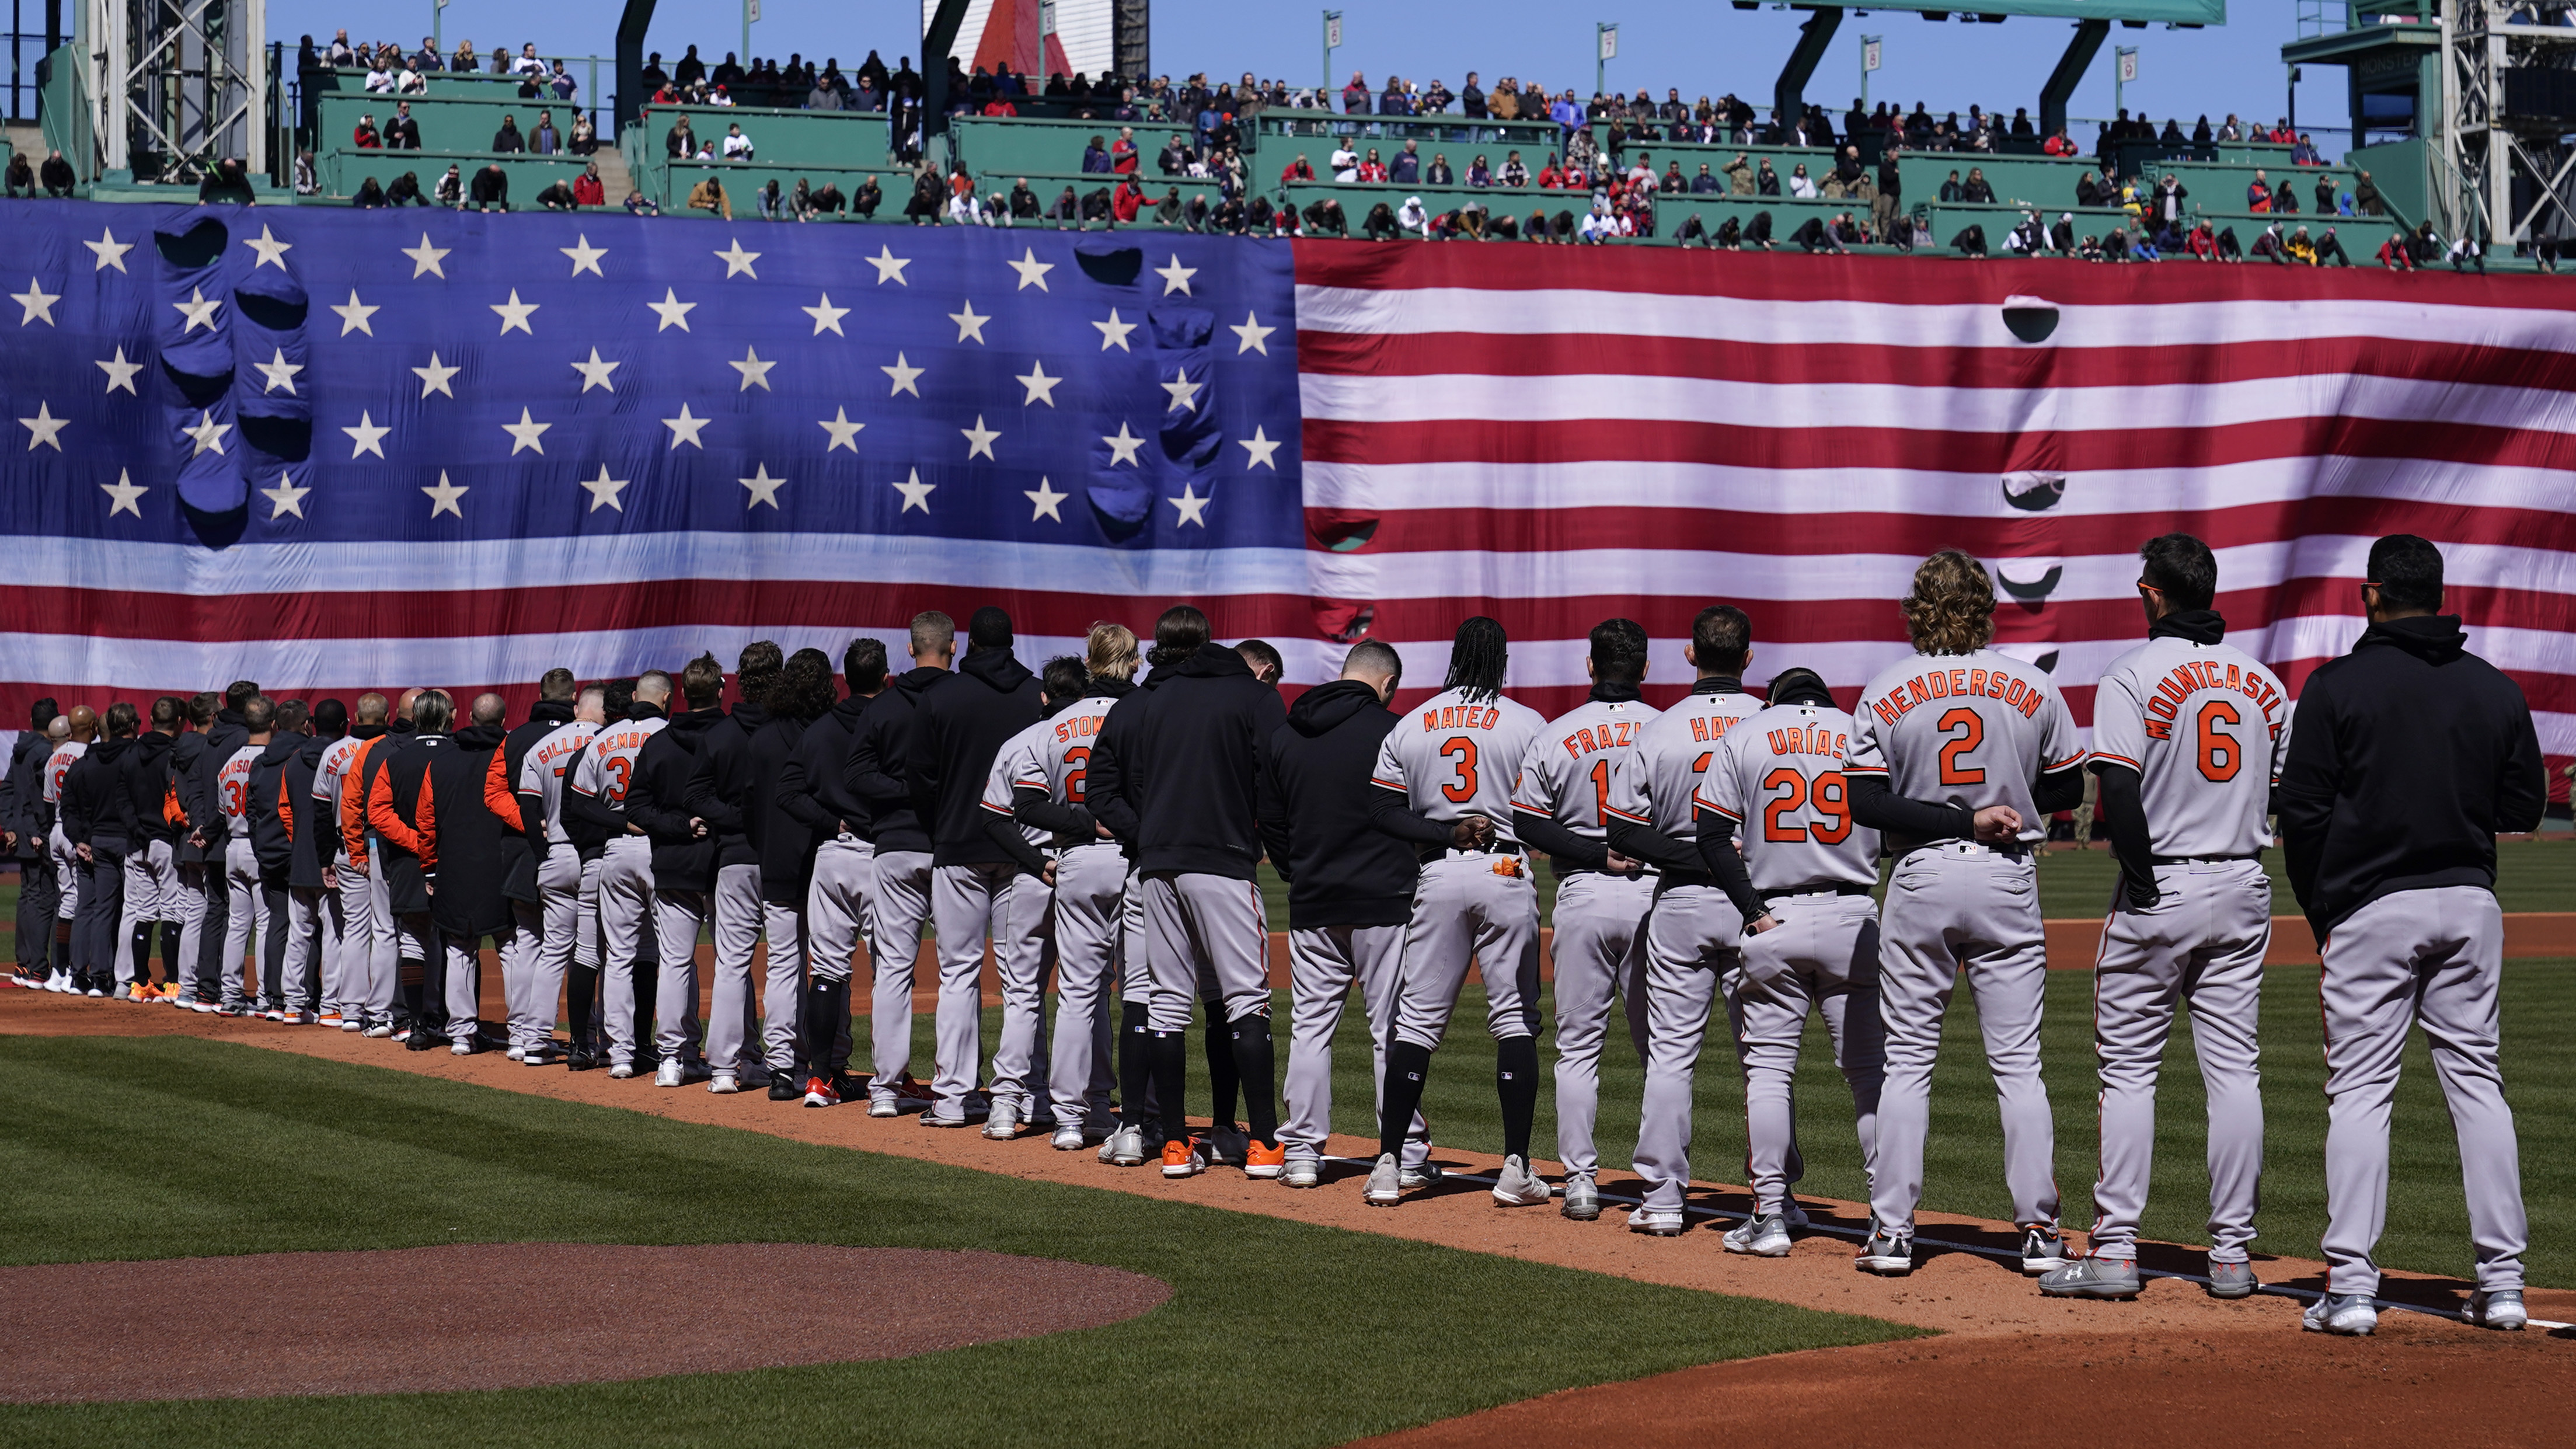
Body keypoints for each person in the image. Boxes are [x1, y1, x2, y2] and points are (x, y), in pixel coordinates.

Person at [2278, 534, 2545, 1336]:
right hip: (2467, 900)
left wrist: (2324, 912)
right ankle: (2502, 1285)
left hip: (2370, 906)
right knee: (2477, 1085)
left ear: (2371, 596)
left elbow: (2301, 815)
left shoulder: (2335, 687)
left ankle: (2353, 1288)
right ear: (2438, 594)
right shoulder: (2493, 689)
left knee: (2361, 1090)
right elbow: (2524, 806)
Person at [2036, 535, 2286, 1303]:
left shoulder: (2132, 673)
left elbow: (2117, 787)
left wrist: (2141, 880)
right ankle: (2233, 1256)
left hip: (2164, 882)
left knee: (2129, 1073)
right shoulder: (2262, 681)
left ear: (2151, 593)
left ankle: (2114, 1251)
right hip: (2244, 877)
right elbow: (2279, 790)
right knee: (2235, 1072)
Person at [1843, 552, 2086, 1277]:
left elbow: (1865, 803)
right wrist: (1996, 801)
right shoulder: (2031, 682)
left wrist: (1953, 818)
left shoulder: (1887, 687)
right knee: (2018, 1065)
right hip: (2006, 875)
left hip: (1919, 875)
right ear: (1986, 606)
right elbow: (2070, 783)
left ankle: (1890, 1234)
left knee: (1908, 1063)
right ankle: (2039, 1232)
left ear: (1918, 607)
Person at [1082, 607, 1289, 1179]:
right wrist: (1277, 843)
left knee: (1165, 1003)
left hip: (1156, 865)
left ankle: (1175, 1144)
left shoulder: (1139, 704)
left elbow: (1098, 790)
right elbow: (1279, 774)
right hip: (1222, 860)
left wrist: (1143, 829)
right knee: (1245, 998)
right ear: (1208, 643)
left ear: (1156, 648)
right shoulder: (1248, 696)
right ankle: (1265, 1142)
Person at [1690, 665, 1884, 1256]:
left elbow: (1710, 834)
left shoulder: (1749, 731)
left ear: (1775, 698)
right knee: (1871, 1075)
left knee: (1770, 1073)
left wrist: (1752, 910)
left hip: (1777, 917)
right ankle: (1888, 1218)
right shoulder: (1858, 729)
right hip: (1854, 915)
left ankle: (1769, 1215)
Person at [1355, 618, 1547, 1207]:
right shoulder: (1526, 722)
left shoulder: (1413, 722)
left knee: (1414, 1022)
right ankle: (1515, 1168)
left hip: (1438, 869)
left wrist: (1443, 827)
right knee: (1514, 1018)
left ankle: (1388, 1164)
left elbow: (1382, 811)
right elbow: (1545, 810)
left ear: (1455, 656)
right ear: (1502, 659)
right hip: (1507, 867)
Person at [1600, 608, 1768, 1235]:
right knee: (1763, 1061)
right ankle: (1772, 1199)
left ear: (1690, 655)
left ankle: (1665, 1198)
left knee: (1671, 1056)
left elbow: (1620, 830)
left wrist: (1694, 855)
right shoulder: (1769, 724)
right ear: (1748, 658)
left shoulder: (1661, 728)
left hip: (1680, 903)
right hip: (1757, 904)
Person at [1510, 621, 1658, 1222]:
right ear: (1645, 668)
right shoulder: (1665, 728)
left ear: (1591, 666)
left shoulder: (1557, 733)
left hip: (1583, 893)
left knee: (1577, 1050)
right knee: (1663, 1050)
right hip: (1654, 892)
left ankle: (1580, 1181)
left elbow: (1527, 824)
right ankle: (1661, 1185)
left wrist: (1595, 850)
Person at [831, 614, 953, 1112]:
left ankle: (885, 1089)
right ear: (952, 648)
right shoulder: (961, 698)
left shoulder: (883, 707)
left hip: (895, 845)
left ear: (909, 649)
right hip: (949, 847)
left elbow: (856, 775)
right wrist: (927, 794)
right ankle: (953, 1088)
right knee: (958, 971)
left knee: (894, 970)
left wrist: (903, 794)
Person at [565, 672, 674, 1078]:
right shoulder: (669, 732)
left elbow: (578, 804)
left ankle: (622, 1054)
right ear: (664, 699)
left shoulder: (602, 739)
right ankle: (669, 1051)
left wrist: (621, 822)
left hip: (615, 852)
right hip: (662, 848)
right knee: (669, 956)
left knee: (617, 957)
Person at [626, 656, 727, 1088]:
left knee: (674, 961)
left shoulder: (659, 743)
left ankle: (672, 1057)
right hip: (724, 860)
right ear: (721, 690)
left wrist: (678, 826)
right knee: (732, 962)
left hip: (673, 860)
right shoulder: (734, 738)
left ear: (682, 694)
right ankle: (729, 1060)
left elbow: (635, 808)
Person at [515, 683, 605, 1066]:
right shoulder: (607, 741)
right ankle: (597, 1040)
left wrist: (543, 855)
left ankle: (534, 1040)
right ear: (598, 710)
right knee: (599, 954)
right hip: (593, 857)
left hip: (555, 856)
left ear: (576, 707)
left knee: (553, 951)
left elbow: (527, 807)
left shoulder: (542, 747)